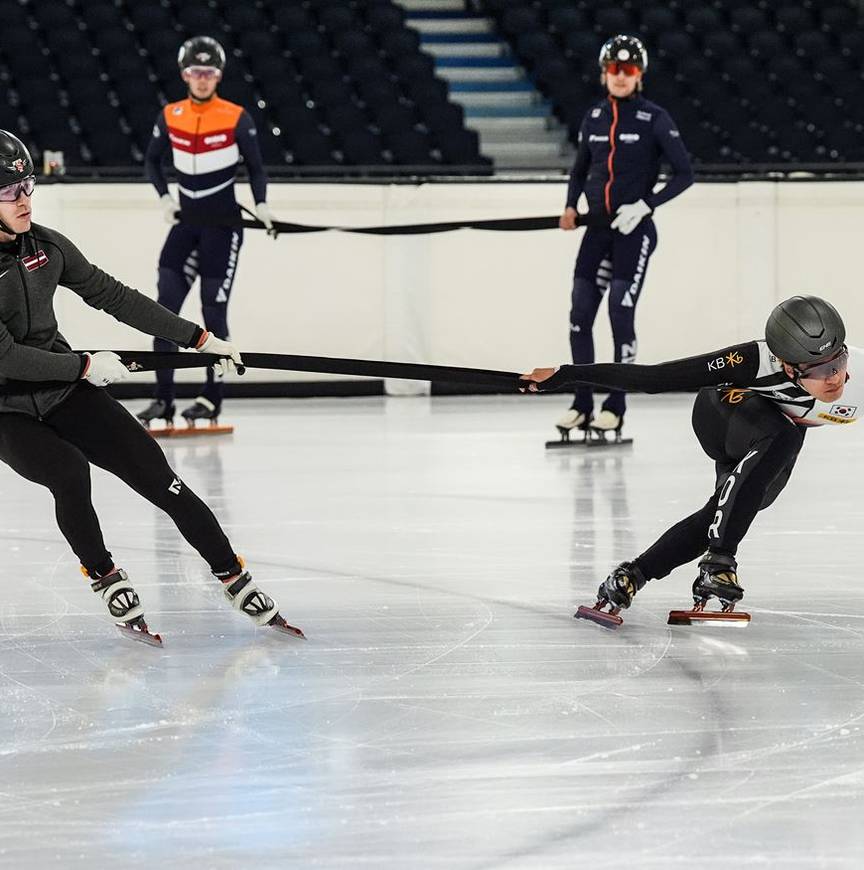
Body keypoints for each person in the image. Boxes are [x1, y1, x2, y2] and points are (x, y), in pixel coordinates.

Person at [0, 130, 300, 643]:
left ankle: (233, 574)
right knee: (69, 473)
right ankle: (104, 574)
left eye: (28, 186)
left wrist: (198, 338)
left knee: (159, 475)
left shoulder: (46, 246)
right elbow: (4, 356)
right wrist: (83, 366)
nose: (25, 199)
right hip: (7, 409)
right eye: (10, 191)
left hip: (66, 387)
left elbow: (111, 294)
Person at [521, 295, 852, 619]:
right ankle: (719, 561)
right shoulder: (750, 361)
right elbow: (655, 379)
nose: (835, 377)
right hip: (722, 413)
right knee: (784, 437)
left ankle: (632, 575)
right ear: (786, 364)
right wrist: (565, 374)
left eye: (838, 362)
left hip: (771, 433)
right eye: (820, 370)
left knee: (733, 507)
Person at [556, 34, 693, 438]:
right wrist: (570, 205)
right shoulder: (594, 118)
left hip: (635, 233)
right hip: (597, 231)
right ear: (603, 74)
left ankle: (615, 404)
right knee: (580, 313)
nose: (620, 76)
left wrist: (646, 205)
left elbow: (685, 174)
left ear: (640, 76)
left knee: (619, 309)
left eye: (628, 69)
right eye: (613, 69)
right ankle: (582, 403)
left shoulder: (654, 118)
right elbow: (580, 170)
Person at [141, 35, 275, 428]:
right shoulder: (170, 115)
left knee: (213, 313)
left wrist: (262, 205)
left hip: (224, 228)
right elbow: (152, 161)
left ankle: (211, 399)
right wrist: (166, 198)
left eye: (209, 72)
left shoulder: (236, 116)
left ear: (219, 75)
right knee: (161, 312)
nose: (202, 79)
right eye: (195, 72)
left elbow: (256, 167)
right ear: (185, 74)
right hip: (187, 226)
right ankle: (163, 400)